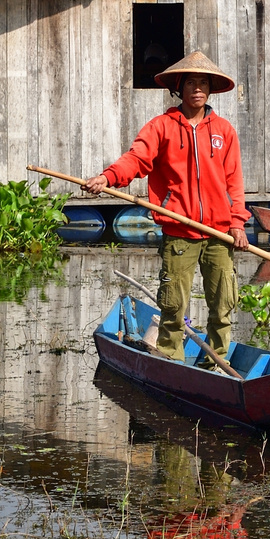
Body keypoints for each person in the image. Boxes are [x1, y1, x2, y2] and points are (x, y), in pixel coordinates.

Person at [84, 51, 250, 364]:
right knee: (173, 305)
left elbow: (235, 183)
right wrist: (107, 178)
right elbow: (136, 159)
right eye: (191, 82)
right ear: (179, 87)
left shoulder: (224, 131)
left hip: (220, 233)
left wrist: (238, 223)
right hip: (179, 230)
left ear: (211, 89)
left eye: (203, 83)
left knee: (223, 303)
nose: (197, 88)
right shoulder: (162, 127)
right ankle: (171, 359)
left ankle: (217, 361)